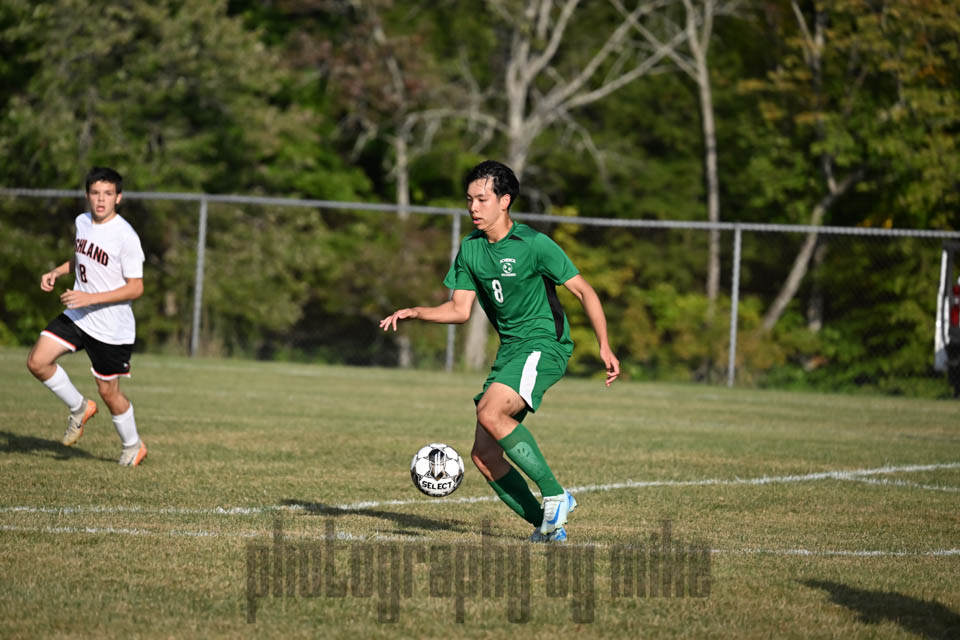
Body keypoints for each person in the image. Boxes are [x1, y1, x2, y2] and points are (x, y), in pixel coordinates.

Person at [380, 160, 619, 542]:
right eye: (469, 200)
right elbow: (459, 310)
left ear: (504, 201)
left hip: (545, 344)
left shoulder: (534, 244)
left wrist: (605, 344)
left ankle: (556, 494)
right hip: (511, 352)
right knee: (484, 457)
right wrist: (416, 312)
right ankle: (547, 527)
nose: (473, 207)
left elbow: (584, 291)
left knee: (490, 411)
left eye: (482, 199)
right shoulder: (471, 249)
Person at [25, 166, 148, 466]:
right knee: (37, 362)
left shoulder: (126, 237)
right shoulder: (82, 222)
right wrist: (56, 271)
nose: (101, 200)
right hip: (80, 315)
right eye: (95, 193)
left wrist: (90, 297)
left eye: (108, 194)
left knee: (109, 393)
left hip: (111, 329)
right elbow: (82, 256)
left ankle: (133, 445)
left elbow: (136, 288)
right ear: (87, 195)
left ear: (119, 198)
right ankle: (79, 407)